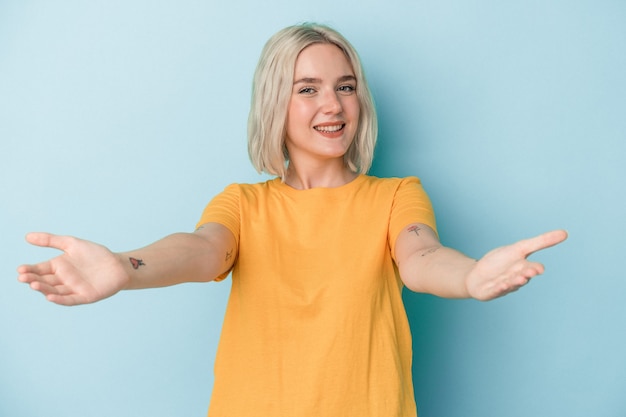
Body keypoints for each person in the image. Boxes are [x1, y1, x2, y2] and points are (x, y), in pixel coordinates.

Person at [17, 23, 567, 417]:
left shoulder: (397, 196)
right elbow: (202, 248)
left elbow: (421, 256)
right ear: (275, 102)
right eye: (308, 89)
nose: (333, 105)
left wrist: (470, 277)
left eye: (345, 86)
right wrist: (125, 266)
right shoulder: (244, 204)